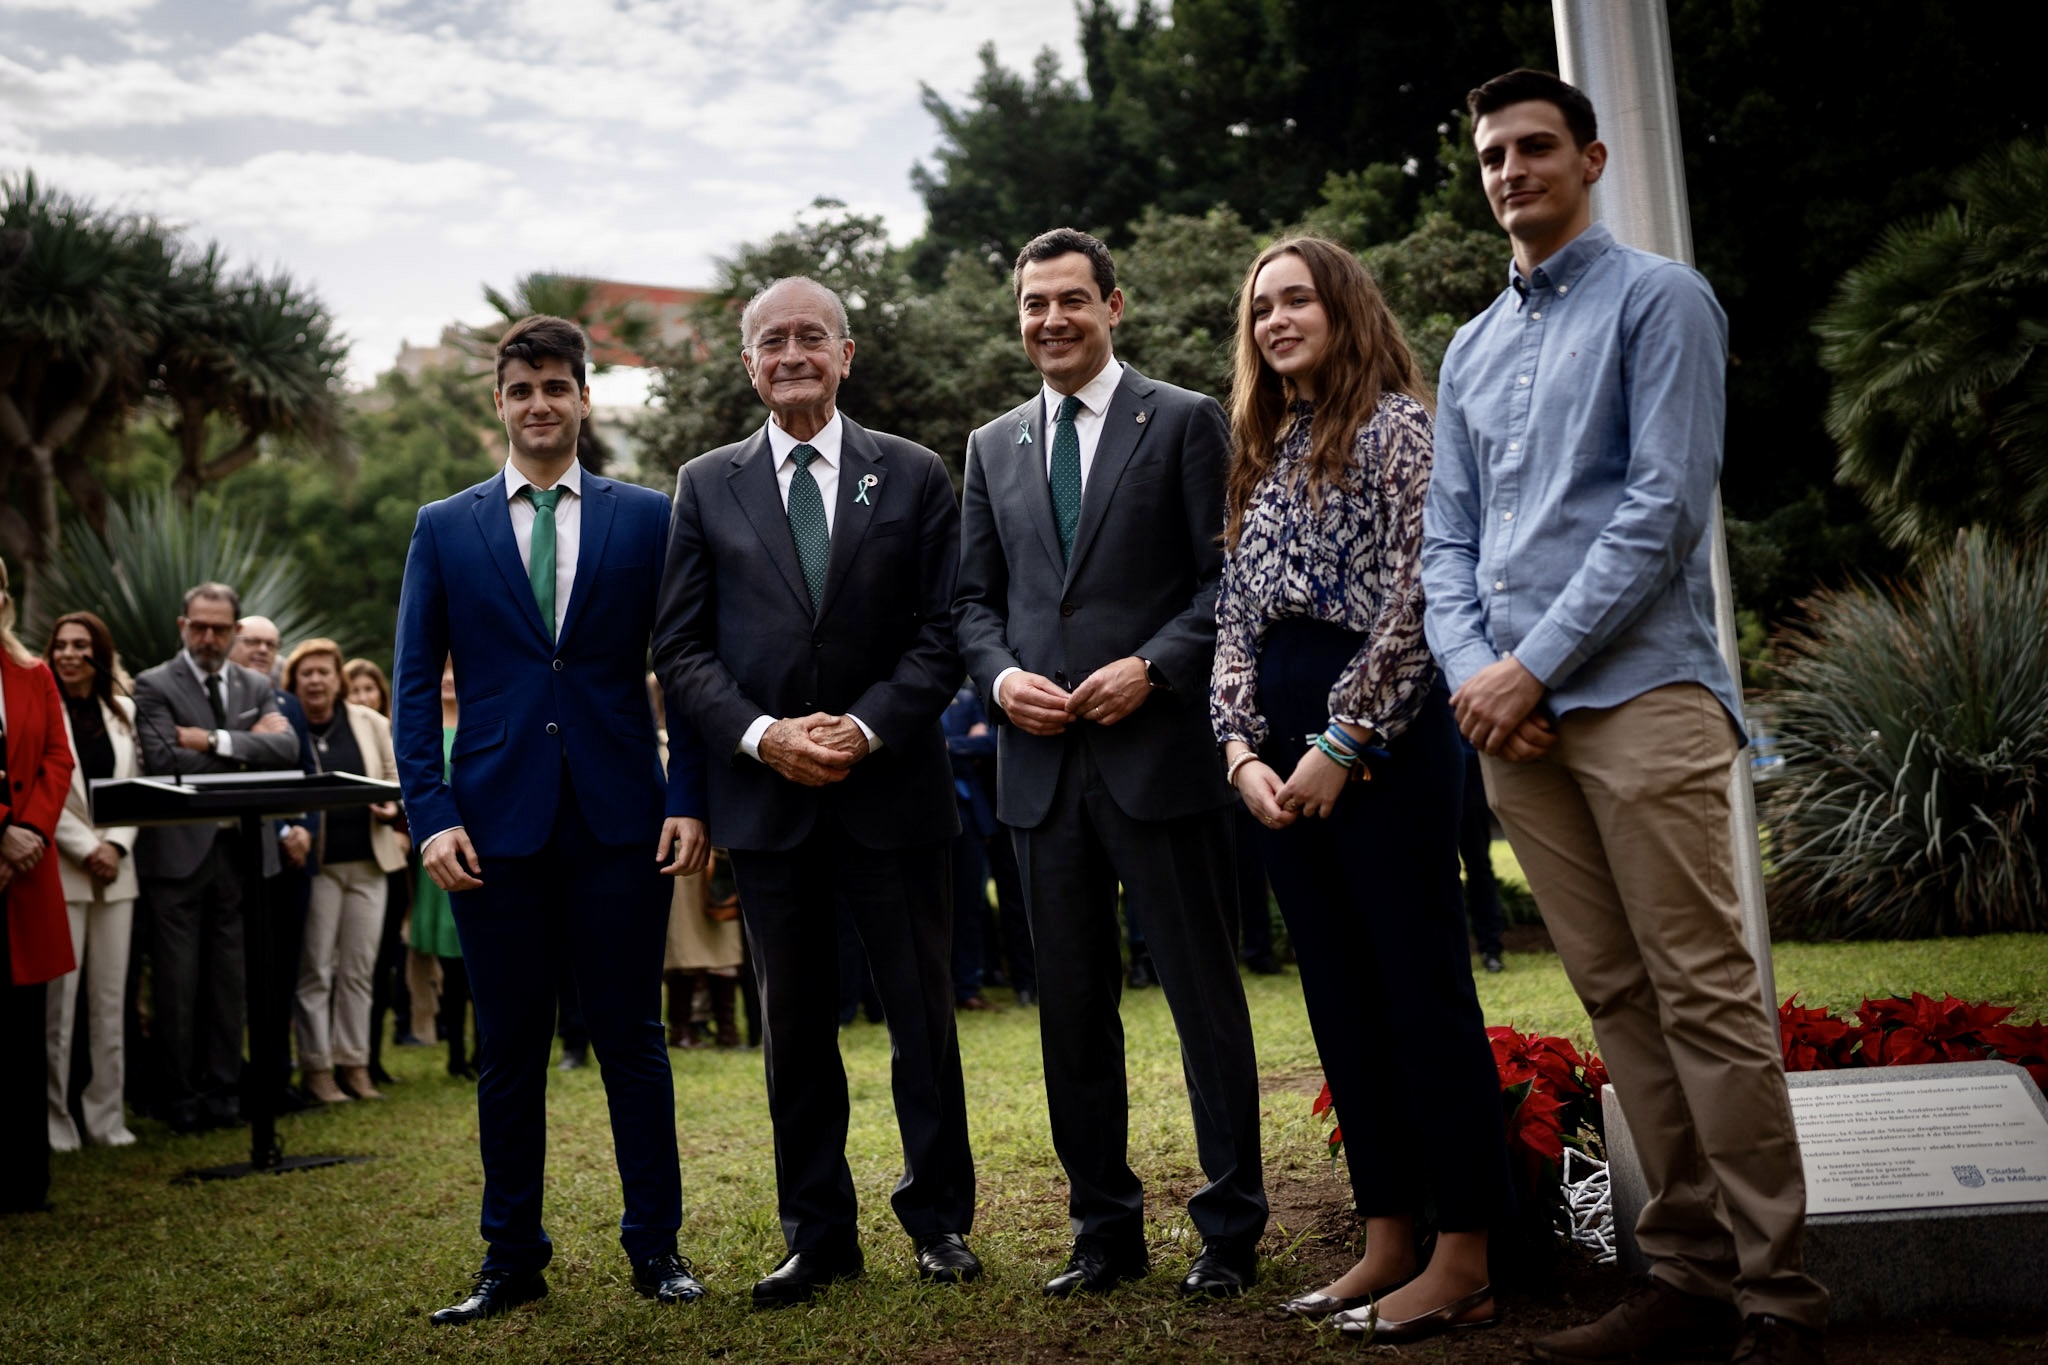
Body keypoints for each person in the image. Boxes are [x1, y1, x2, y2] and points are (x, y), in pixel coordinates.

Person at [1421, 69, 1828, 1365]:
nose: (1510, 171)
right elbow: (1445, 548)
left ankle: (1781, 1296)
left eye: (1535, 147)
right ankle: (1690, 1275)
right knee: (1617, 1002)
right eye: (1492, 155)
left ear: (1591, 159)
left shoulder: (1664, 300)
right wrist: (1482, 680)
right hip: (1517, 728)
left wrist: (1525, 668)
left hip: (1640, 695)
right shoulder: (1470, 350)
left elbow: (1661, 511)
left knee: (1703, 994)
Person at [954, 227, 1267, 1298]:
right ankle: (1103, 1229)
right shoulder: (990, 445)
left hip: (1157, 758)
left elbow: (1228, 581)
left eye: (1070, 301)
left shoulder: (1183, 422)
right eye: (1033, 303)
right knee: (1070, 1007)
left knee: (1199, 997)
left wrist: (1153, 667)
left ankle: (1229, 1229)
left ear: (1112, 306)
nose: (1050, 320)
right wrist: (997, 680)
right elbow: (969, 603)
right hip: (1037, 774)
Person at [1211, 236, 1514, 1342]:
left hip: (1380, 735)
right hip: (1274, 739)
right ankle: (1385, 1238)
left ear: (1342, 309)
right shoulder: (1258, 445)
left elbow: (1419, 597)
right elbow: (1234, 618)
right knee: (1337, 996)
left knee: (1418, 993)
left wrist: (1341, 741)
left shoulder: (1398, 431)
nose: (1276, 320)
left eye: (1296, 299)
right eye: (1260, 307)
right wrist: (1240, 751)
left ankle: (1465, 1252)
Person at [654, 275, 977, 1308]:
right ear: (747, 363)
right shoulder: (704, 483)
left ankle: (937, 1223)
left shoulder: (917, 473)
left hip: (894, 792)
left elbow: (945, 631)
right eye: (769, 341)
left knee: (922, 1018)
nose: (790, 353)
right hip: (770, 802)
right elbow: (681, 646)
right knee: (792, 1026)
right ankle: (817, 1233)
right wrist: (760, 737)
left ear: (845, 354)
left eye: (809, 337)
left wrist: (869, 724)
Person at [393, 314, 709, 1323]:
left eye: (556, 388)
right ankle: (509, 1257)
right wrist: (430, 813)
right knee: (508, 1049)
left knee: (632, 1038)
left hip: (621, 817)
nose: (540, 405)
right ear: (500, 403)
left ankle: (655, 1249)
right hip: (489, 828)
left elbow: (692, 668)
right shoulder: (443, 527)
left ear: (584, 400)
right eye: (521, 389)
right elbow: (410, 688)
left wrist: (690, 792)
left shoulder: (645, 518)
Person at [131, 583, 301, 1134]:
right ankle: (182, 1101)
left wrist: (210, 741)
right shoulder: (152, 683)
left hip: (242, 854)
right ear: (182, 625)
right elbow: (162, 762)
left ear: (233, 631)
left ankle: (226, 1098)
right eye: (198, 626)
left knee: (232, 982)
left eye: (219, 628)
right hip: (178, 857)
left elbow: (286, 750)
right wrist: (243, 743)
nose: (208, 637)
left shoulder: (256, 683)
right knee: (178, 984)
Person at [285, 639, 405, 1104]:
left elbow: (399, 776)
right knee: (315, 970)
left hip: (370, 862)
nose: (316, 681)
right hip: (318, 867)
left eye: (324, 672)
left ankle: (354, 1064)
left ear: (338, 679)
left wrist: (391, 807)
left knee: (358, 969)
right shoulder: (289, 725)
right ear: (294, 681)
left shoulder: (368, 722)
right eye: (306, 673)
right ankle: (316, 1070)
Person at [43, 611, 140, 1151]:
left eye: (82, 645)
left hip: (119, 872)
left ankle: (106, 1117)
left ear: (100, 653)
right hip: (62, 870)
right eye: (61, 645)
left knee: (109, 999)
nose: (69, 654)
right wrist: (86, 847)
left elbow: (138, 786)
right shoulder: (41, 707)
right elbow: (41, 788)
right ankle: (54, 1121)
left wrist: (118, 845)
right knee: (61, 1006)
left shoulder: (124, 710)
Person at [0, 558, 77, 1214]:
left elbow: (58, 755)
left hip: (26, 877)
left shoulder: (33, 673)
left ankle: (26, 1179)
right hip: (8, 847)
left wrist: (28, 832)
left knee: (24, 1032)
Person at [230, 614, 317, 1112]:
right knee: (235, 977)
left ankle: (278, 1079)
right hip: (234, 858)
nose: (261, 650)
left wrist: (305, 825)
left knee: (282, 974)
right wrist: (283, 827)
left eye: (270, 643)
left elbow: (307, 771)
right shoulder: (220, 703)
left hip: (290, 864)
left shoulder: (288, 704)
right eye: (252, 642)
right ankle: (233, 1082)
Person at [344, 656, 422, 1075]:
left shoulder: (398, 732)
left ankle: (372, 1054)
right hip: (347, 856)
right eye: (353, 690)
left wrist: (404, 831)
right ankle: (361, 1056)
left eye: (368, 689)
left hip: (395, 859)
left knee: (385, 955)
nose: (361, 697)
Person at [407, 659, 472, 1078]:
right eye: (441, 669)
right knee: (451, 967)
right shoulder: (424, 730)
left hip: (484, 851)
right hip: (441, 856)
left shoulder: (479, 721)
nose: (448, 676)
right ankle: (453, 1055)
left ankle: (486, 1051)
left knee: (483, 965)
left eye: (455, 668)